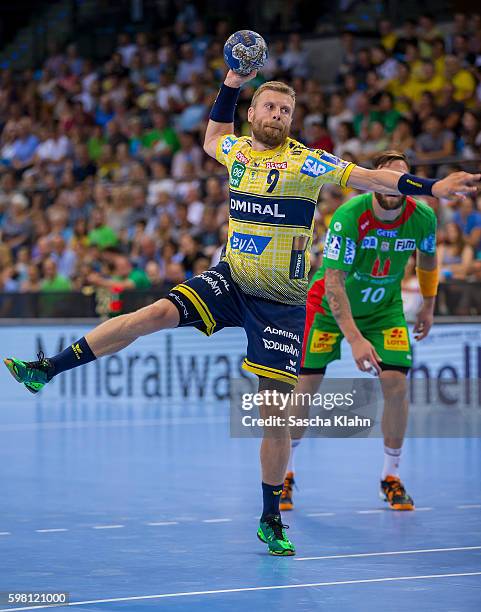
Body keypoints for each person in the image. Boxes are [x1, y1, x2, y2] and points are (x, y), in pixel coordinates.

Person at [3, 71, 480, 556]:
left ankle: (271, 518)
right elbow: (213, 135)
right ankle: (48, 368)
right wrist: (231, 81)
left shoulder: (308, 161)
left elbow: (370, 176)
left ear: (291, 120)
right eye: (268, 107)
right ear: (251, 114)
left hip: (282, 301)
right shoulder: (237, 152)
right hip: (231, 279)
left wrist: (431, 186)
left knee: (274, 414)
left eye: (285, 110)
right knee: (151, 315)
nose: (277, 115)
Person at [280, 151, 440, 513]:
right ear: (373, 180)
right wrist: (353, 338)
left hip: (383, 309)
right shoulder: (350, 216)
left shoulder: (423, 218)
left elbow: (428, 260)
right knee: (305, 387)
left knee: (396, 385)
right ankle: (284, 473)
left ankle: (391, 477)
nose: (392, 186)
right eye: (385, 177)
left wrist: (429, 304)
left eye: (400, 178)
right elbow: (333, 283)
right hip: (327, 308)